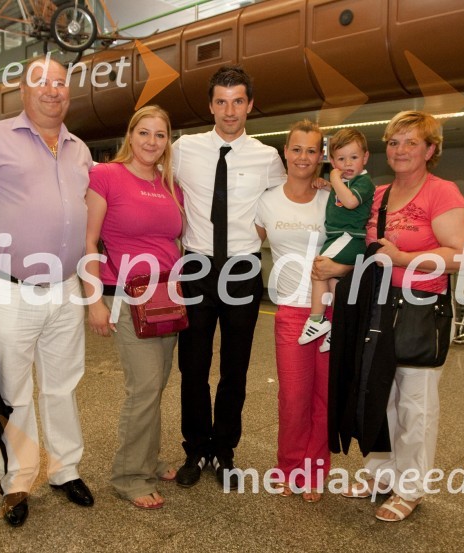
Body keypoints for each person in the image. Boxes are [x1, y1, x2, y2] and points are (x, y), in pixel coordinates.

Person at [0, 55, 94, 527]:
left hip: (66, 287)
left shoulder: (79, 149)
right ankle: (15, 478)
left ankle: (65, 469)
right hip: (10, 289)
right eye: (42, 83)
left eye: (60, 83)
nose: (53, 90)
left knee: (63, 385)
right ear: (22, 90)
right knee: (12, 390)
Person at [338, 110, 464, 521]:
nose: (400, 150)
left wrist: (406, 258)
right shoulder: (378, 194)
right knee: (379, 396)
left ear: (430, 149)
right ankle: (380, 472)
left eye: (411, 142)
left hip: (418, 307)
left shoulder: (442, 192)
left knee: (415, 403)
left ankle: (410, 487)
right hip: (376, 305)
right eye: (394, 142)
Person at [172, 65, 286, 488]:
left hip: (242, 268)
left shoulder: (267, 157)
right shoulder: (185, 149)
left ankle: (224, 451)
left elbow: (281, 204)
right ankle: (196, 449)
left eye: (238, 101)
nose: (229, 110)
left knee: (234, 369)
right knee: (193, 367)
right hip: (197, 266)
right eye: (221, 101)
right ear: (210, 106)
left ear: (250, 105)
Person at [83, 105, 184, 509]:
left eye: (160, 135)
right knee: (143, 387)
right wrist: (94, 302)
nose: (151, 142)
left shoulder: (169, 184)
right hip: (127, 296)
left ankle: (149, 458)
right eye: (144, 133)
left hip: (167, 297)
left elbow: (172, 241)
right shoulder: (105, 176)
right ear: (130, 134)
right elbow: (89, 242)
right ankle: (128, 474)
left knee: (156, 385)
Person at [255, 120, 331, 502]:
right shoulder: (267, 200)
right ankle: (287, 467)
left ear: (321, 156)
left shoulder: (331, 198)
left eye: (312, 150)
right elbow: (245, 244)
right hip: (290, 311)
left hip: (331, 311)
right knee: (293, 396)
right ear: (285, 151)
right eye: (297, 149)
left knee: (323, 396)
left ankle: (315, 472)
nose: (304, 157)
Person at [297, 129, 374, 352]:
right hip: (340, 238)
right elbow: (342, 192)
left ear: (365, 157)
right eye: (341, 159)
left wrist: (333, 177)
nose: (348, 163)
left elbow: (349, 202)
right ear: (332, 160)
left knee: (319, 268)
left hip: (348, 237)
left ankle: (316, 319)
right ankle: (339, 326)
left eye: (354, 157)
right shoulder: (347, 181)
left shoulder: (364, 181)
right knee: (332, 281)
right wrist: (328, 185)